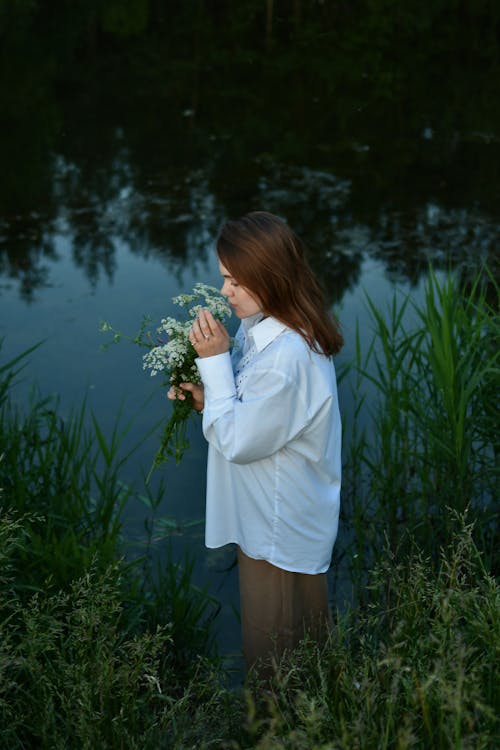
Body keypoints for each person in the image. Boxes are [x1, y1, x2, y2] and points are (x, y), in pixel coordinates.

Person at [168, 211, 343, 678]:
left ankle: (278, 731)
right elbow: (256, 417)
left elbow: (239, 441)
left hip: (276, 526)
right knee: (305, 644)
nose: (225, 292)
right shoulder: (268, 328)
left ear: (271, 277)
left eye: (235, 282)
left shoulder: (286, 357)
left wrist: (214, 361)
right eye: (225, 278)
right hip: (279, 514)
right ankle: (326, 716)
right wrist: (210, 399)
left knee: (274, 658)